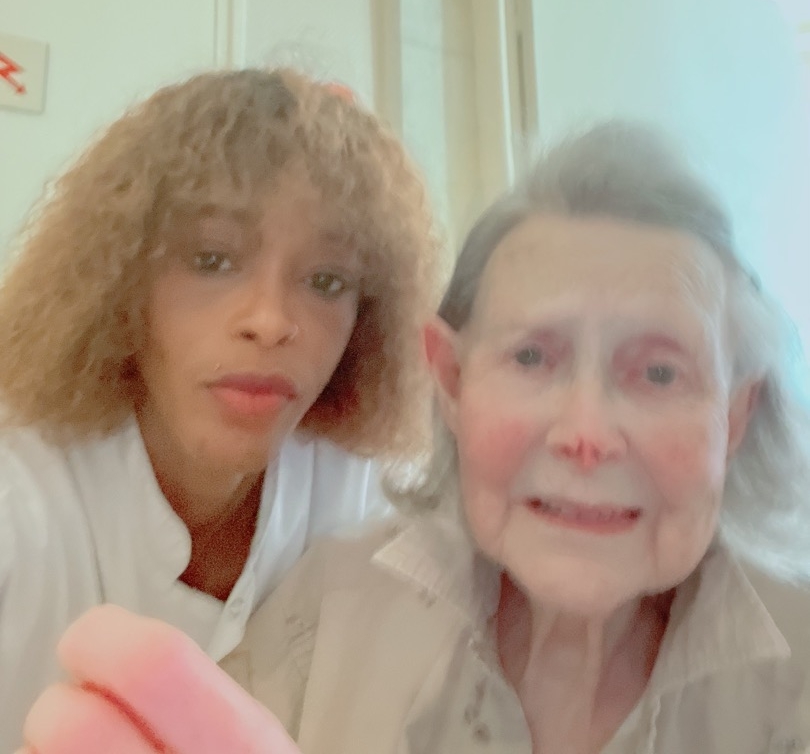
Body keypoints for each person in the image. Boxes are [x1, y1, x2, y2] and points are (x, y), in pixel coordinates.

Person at [17, 123, 810, 754]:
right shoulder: (327, 609)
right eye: (532, 357)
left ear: (735, 417)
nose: (587, 434)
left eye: (660, 373)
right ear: (451, 380)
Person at [0, 67, 438, 753]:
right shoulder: (21, 492)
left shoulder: (368, 490)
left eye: (327, 280)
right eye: (211, 259)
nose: (271, 321)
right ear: (120, 280)